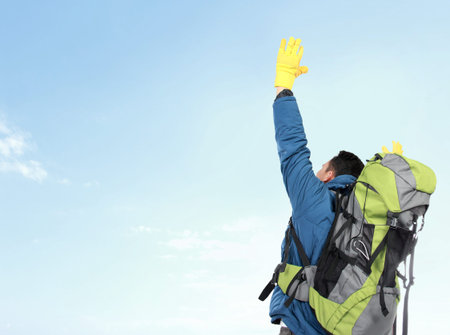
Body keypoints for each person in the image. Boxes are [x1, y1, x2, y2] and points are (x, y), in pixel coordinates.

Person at [269, 37, 365, 334]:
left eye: (322, 167)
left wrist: (283, 89)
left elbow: (293, 150)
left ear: (329, 174)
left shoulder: (314, 199)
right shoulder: (366, 218)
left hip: (302, 326)